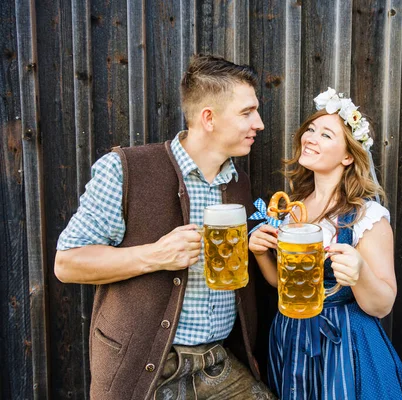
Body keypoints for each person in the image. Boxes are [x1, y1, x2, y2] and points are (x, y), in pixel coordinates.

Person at [54, 54, 276, 400]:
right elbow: (67, 263)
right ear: (209, 118)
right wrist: (156, 256)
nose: (259, 124)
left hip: (218, 363)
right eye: (247, 112)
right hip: (148, 367)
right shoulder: (124, 169)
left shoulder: (239, 184)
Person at [249, 88, 402, 399]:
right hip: (290, 337)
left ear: (347, 156)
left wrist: (361, 272)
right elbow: (281, 284)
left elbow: (382, 304)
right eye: (310, 129)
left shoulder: (366, 217)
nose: (310, 138)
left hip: (343, 343)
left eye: (326, 135)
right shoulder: (292, 210)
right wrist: (261, 254)